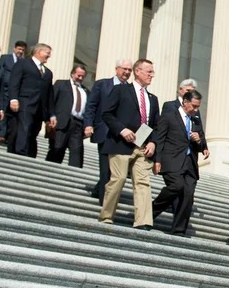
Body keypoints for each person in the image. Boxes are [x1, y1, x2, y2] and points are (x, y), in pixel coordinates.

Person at [98, 58, 158, 229]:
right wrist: (122, 130)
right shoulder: (120, 90)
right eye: (149, 71)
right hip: (121, 144)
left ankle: (143, 221)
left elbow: (155, 125)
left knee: (143, 182)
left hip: (142, 146)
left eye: (152, 72)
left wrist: (153, 142)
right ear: (137, 71)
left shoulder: (153, 99)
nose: (152, 75)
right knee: (119, 178)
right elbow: (107, 114)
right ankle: (107, 215)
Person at [145, 89, 208, 236]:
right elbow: (160, 139)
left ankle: (179, 231)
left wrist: (199, 141)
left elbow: (201, 143)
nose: (195, 110)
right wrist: (157, 160)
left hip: (190, 163)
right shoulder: (168, 116)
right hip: (172, 160)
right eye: (193, 106)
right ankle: (148, 214)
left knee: (188, 196)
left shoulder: (196, 119)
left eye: (198, 106)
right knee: (176, 186)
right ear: (185, 102)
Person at [83, 59, 132, 201]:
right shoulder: (102, 84)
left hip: (121, 136)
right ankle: (104, 201)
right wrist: (88, 124)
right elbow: (91, 106)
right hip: (104, 131)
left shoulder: (130, 90)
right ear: (117, 69)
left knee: (115, 170)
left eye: (129, 70)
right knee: (105, 168)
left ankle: (99, 190)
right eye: (124, 69)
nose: (127, 72)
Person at [6, 43, 53, 157]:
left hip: (39, 108)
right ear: (38, 52)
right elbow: (14, 82)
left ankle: (29, 154)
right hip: (25, 103)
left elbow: (49, 95)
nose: (49, 55)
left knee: (34, 130)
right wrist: (13, 98)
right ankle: (20, 152)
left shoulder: (48, 73)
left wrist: (51, 115)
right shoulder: (23, 64)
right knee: (24, 126)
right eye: (47, 52)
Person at [46, 64, 88, 167]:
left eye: (83, 76)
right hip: (61, 123)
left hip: (78, 124)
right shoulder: (61, 84)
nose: (80, 78)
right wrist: (50, 117)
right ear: (72, 74)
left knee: (77, 154)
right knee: (57, 149)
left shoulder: (86, 91)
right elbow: (51, 101)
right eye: (78, 75)